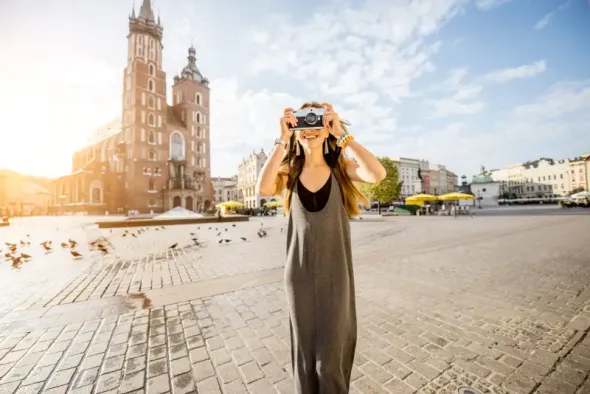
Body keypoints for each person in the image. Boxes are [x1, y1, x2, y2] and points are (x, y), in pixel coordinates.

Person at [256, 102, 386, 393]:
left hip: (336, 273)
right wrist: (282, 140)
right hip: (298, 273)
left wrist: (343, 136)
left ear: (327, 127)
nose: (310, 128)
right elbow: (263, 189)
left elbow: (376, 174)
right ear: (295, 128)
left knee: (332, 354)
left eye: (318, 121)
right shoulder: (289, 170)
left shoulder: (341, 169)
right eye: (304, 122)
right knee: (304, 355)